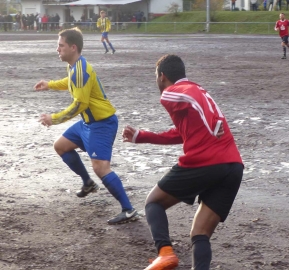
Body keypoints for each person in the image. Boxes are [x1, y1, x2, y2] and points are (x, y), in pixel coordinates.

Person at [123, 54, 244, 270]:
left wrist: (213, 121)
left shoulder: (173, 92)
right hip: (233, 166)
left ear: (162, 76)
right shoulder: (197, 90)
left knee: (153, 202)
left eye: (156, 78)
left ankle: (165, 253)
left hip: (205, 162)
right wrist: (142, 136)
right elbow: (181, 133)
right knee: (200, 233)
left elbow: (192, 98)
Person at [33, 28, 137, 225]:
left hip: (102, 124)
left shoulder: (80, 70)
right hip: (87, 123)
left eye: (61, 45)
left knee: (101, 168)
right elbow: (71, 83)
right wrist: (51, 84)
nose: (57, 49)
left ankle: (129, 210)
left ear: (73, 47)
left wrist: (53, 118)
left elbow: (80, 105)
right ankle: (88, 183)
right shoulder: (74, 66)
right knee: (61, 146)